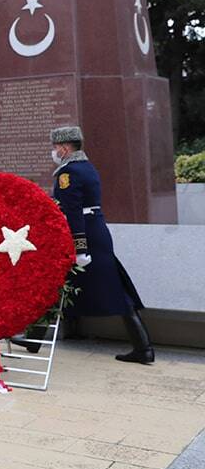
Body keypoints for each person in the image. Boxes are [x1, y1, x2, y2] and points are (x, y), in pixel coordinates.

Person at [49, 126, 153, 364]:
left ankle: (144, 348)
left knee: (111, 290)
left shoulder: (68, 173)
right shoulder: (87, 167)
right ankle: (143, 347)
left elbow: (73, 211)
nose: (54, 151)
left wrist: (80, 247)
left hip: (85, 234)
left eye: (55, 147)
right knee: (60, 284)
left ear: (64, 148)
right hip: (96, 231)